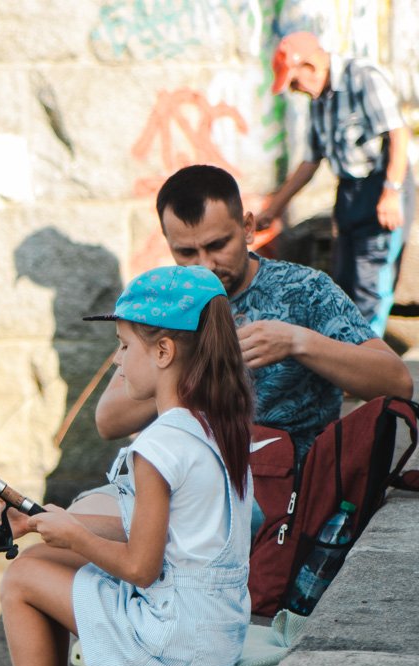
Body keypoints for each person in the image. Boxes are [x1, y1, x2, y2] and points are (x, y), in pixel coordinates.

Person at [0, 265, 256, 666]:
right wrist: (34, 522)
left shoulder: (157, 447)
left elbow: (141, 566)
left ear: (163, 352)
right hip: (213, 629)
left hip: (175, 642)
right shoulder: (212, 423)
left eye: (123, 345)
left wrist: (76, 537)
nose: (117, 359)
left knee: (21, 579)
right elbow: (157, 528)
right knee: (41, 559)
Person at [102, 163, 412, 460]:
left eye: (217, 245)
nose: (205, 265)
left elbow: (398, 383)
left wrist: (298, 342)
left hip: (288, 480)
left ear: (247, 228)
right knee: (85, 500)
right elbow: (109, 420)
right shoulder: (167, 304)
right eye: (186, 252)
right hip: (194, 472)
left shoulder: (305, 289)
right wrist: (193, 369)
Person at [255, 31, 415, 337]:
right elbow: (310, 162)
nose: (295, 90)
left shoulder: (362, 78)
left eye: (294, 82)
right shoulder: (319, 100)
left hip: (382, 185)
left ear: (310, 66)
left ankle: (368, 356)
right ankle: (345, 349)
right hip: (349, 190)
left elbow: (398, 134)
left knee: (370, 283)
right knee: (344, 279)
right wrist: (273, 209)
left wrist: (391, 192)